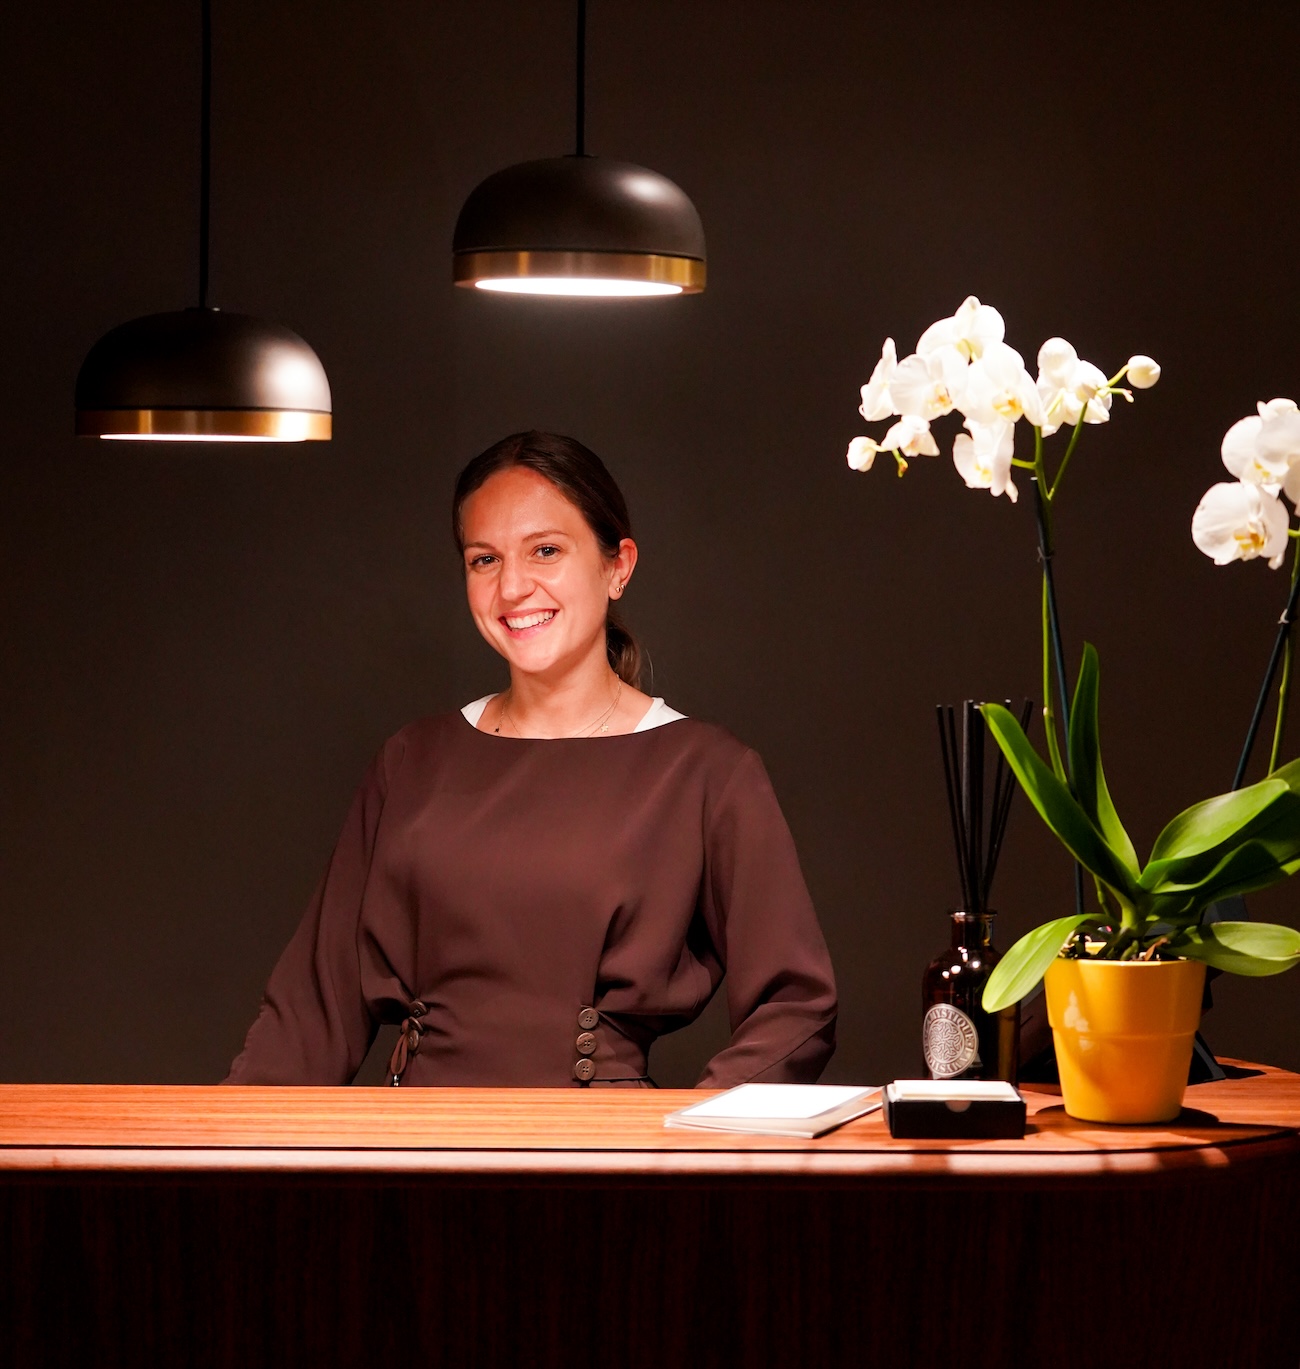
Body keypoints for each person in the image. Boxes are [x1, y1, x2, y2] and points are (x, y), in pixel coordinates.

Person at [225, 431, 837, 1088]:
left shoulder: (706, 771)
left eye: (546, 550)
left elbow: (796, 1005)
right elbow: (311, 1010)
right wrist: (215, 1162)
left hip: (600, 1164)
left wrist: (686, 1144)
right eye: (484, 560)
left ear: (618, 565)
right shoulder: (412, 760)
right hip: (410, 1156)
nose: (513, 587)